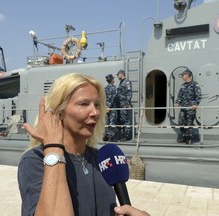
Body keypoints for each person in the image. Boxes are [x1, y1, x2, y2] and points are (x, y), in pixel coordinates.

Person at [18, 73, 150, 216]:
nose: (95, 112)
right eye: (83, 104)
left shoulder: (101, 159)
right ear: (59, 112)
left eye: (97, 105)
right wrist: (53, 148)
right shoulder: (35, 161)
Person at [175, 68, 202, 144]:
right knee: (181, 122)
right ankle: (184, 137)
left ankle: (189, 139)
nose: (182, 76)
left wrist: (195, 104)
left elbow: (199, 96)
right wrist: (177, 103)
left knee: (189, 124)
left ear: (187, 75)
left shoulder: (195, 85)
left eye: (183, 75)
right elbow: (180, 96)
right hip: (183, 108)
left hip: (191, 108)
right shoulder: (183, 85)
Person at [116, 70, 132, 141]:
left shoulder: (127, 82)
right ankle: (123, 135)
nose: (117, 76)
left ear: (121, 74)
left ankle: (127, 136)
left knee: (126, 120)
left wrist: (127, 103)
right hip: (121, 104)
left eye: (118, 75)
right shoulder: (121, 82)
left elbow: (129, 93)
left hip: (125, 104)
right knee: (122, 119)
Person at [104, 73, 118, 142]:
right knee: (112, 122)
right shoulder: (114, 88)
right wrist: (109, 106)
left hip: (106, 108)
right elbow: (113, 98)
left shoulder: (105, 88)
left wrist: (106, 106)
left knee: (107, 122)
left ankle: (106, 136)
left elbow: (104, 98)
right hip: (112, 108)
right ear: (112, 80)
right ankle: (111, 137)